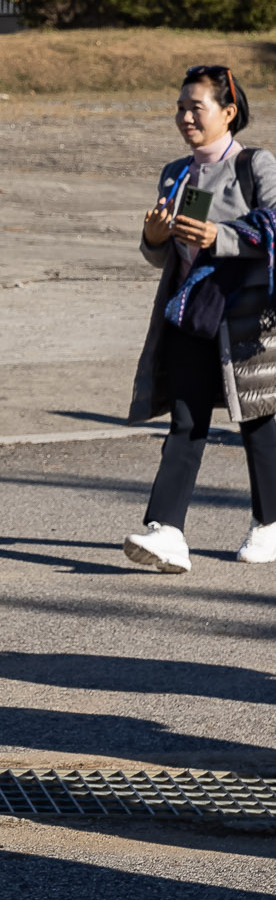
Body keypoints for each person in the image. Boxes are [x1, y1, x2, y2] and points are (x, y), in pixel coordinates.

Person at [125, 65, 276, 571]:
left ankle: (270, 524)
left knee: (257, 423)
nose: (185, 117)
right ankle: (166, 530)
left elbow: (275, 225)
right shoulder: (176, 172)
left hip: (247, 321)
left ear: (228, 113)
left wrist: (222, 236)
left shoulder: (255, 165)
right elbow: (164, 259)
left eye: (197, 107)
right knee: (186, 423)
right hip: (190, 313)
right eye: (180, 107)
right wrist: (155, 239)